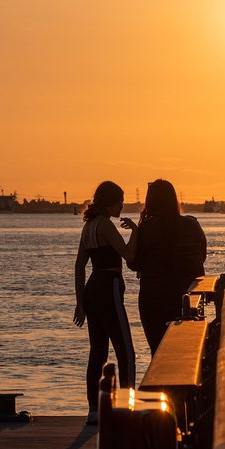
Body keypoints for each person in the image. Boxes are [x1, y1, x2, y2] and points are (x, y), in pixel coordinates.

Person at [73, 181, 138, 425]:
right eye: (120, 201)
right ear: (110, 202)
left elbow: (80, 267)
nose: (123, 205)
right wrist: (136, 232)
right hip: (108, 285)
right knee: (126, 351)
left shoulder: (88, 226)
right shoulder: (106, 225)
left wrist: (80, 302)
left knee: (97, 352)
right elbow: (129, 256)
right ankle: (126, 407)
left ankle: (93, 410)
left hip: (92, 289)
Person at [127, 180, 207, 355]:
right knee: (188, 352)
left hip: (155, 298)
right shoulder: (193, 225)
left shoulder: (147, 228)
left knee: (159, 352)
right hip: (190, 296)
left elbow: (134, 264)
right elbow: (202, 257)